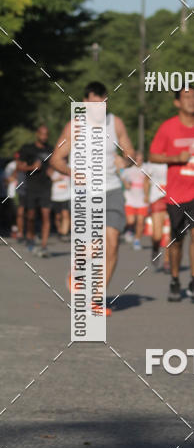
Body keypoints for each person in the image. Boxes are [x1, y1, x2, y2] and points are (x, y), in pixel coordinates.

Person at [51, 81, 136, 315]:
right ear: (85, 102)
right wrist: (72, 173)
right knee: (93, 246)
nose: (99, 104)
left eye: (102, 100)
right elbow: (56, 159)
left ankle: (96, 299)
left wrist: (125, 159)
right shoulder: (74, 126)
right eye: (93, 100)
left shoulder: (115, 123)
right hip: (84, 192)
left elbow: (130, 152)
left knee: (112, 243)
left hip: (111, 189)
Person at [149, 88, 194, 303]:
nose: (192, 101)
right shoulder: (168, 128)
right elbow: (153, 155)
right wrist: (176, 157)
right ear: (177, 103)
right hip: (176, 192)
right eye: (186, 97)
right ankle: (175, 279)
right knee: (177, 238)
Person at [18, 124, 53, 256]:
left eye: (46, 134)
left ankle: (44, 246)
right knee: (31, 216)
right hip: (32, 187)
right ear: (37, 134)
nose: (44, 137)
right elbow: (19, 167)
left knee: (46, 215)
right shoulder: (27, 149)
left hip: (46, 186)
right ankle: (30, 236)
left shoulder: (51, 149)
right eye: (42, 134)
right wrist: (32, 167)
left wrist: (53, 170)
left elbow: (55, 163)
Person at [143, 159, 168, 269]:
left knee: (172, 233)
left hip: (172, 198)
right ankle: (155, 248)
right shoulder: (152, 162)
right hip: (156, 198)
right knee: (157, 235)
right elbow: (146, 179)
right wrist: (146, 195)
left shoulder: (175, 159)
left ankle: (168, 261)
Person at [121, 151, 148, 249]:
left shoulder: (146, 169)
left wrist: (147, 195)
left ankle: (137, 240)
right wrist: (126, 184)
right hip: (130, 199)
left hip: (142, 199)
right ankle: (129, 231)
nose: (139, 161)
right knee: (131, 221)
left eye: (141, 159)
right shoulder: (129, 171)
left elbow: (148, 182)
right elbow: (122, 178)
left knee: (140, 222)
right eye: (137, 159)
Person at [50, 168, 71, 241]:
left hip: (66, 196)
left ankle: (64, 234)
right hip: (55, 197)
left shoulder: (68, 168)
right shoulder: (53, 169)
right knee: (58, 216)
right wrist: (57, 179)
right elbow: (48, 180)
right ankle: (59, 231)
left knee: (65, 215)